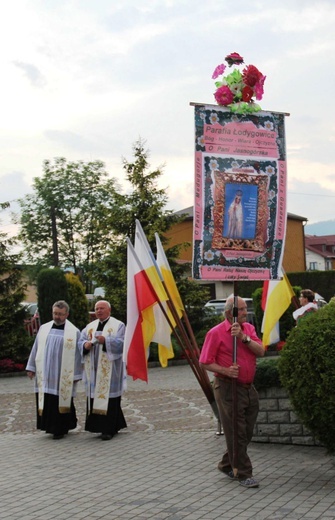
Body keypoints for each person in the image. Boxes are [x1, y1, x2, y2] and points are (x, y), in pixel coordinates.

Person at [199, 296, 264, 488]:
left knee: (247, 430)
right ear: (230, 313)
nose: (245, 312)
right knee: (237, 432)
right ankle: (243, 473)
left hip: (247, 386)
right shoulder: (216, 333)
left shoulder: (248, 329)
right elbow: (204, 362)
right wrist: (226, 370)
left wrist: (243, 338)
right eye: (241, 309)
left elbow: (260, 351)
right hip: (228, 387)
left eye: (245, 308)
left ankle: (227, 463)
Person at [26, 300, 82, 440]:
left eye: (60, 314)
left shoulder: (74, 332)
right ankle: (47, 426)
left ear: (67, 314)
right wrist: (31, 367)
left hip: (62, 375)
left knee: (61, 400)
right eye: (55, 313)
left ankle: (60, 428)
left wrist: (76, 374)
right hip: (45, 373)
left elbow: (77, 355)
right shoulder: (44, 328)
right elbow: (36, 348)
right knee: (47, 400)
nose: (57, 317)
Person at [80, 300, 127, 440]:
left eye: (102, 308)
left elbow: (122, 344)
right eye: (96, 308)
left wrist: (105, 341)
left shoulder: (118, 325)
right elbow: (80, 341)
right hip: (94, 371)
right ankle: (98, 427)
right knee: (96, 398)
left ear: (109, 310)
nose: (99, 311)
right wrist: (85, 345)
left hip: (110, 372)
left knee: (110, 400)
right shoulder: (90, 327)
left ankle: (109, 429)